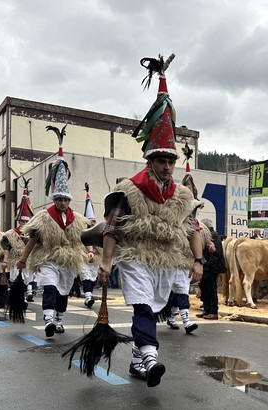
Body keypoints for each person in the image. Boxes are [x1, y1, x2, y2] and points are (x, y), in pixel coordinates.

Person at [97, 54, 203, 388]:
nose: (168, 167)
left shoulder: (181, 196)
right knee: (143, 308)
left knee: (154, 308)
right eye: (162, 161)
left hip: (167, 260)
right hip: (136, 256)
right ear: (151, 159)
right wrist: (106, 261)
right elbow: (112, 227)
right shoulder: (130, 189)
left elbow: (191, 228)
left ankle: (137, 362)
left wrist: (198, 260)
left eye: (171, 162)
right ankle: (152, 358)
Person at [17, 124, 93, 337]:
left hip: (68, 260)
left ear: (69, 200)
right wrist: (23, 259)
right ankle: (48, 319)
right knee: (49, 287)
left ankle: (59, 319)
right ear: (54, 199)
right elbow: (32, 240)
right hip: (48, 258)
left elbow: (84, 237)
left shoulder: (77, 219)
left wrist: (90, 250)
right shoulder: (42, 217)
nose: (62, 203)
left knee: (63, 292)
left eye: (65, 200)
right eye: (58, 199)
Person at [165, 173, 202, 333]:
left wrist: (199, 259)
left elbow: (197, 234)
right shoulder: (170, 213)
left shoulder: (194, 222)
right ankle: (170, 317)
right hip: (168, 259)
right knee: (170, 291)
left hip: (184, 261)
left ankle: (185, 321)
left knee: (181, 289)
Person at [1, 184, 36, 304]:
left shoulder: (34, 232)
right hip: (15, 260)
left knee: (27, 280)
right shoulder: (10, 234)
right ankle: (19, 298)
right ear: (18, 220)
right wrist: (5, 259)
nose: (24, 223)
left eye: (27, 221)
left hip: (29, 260)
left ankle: (25, 296)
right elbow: (6, 247)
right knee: (16, 278)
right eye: (22, 221)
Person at [197, 218, 226, 320]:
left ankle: (213, 311)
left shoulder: (213, 236)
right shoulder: (210, 235)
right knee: (205, 289)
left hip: (211, 268)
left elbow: (215, 254)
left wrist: (208, 266)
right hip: (207, 267)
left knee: (211, 289)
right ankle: (207, 309)